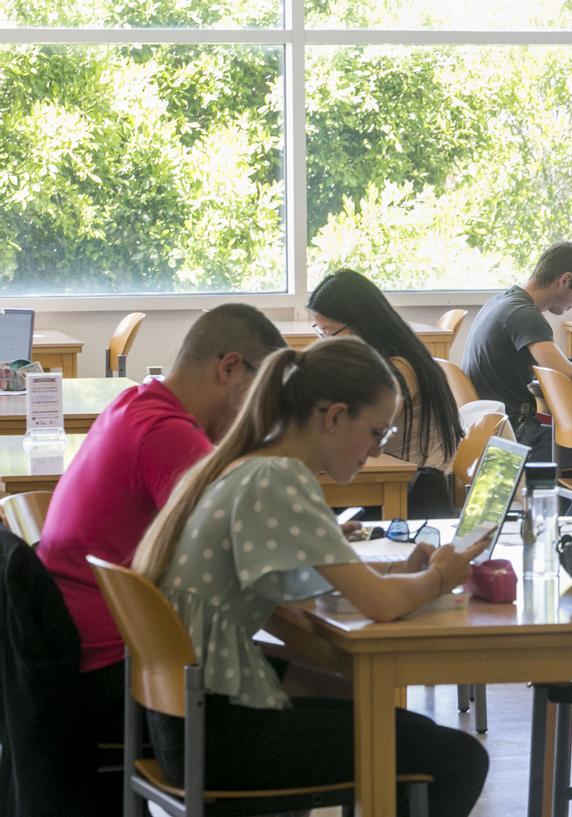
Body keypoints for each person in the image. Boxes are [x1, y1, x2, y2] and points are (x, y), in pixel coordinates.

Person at [131, 337, 488, 815]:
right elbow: (378, 605)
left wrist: (399, 575)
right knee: (458, 757)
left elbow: (311, 596)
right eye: (376, 433)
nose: (376, 450)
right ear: (334, 416)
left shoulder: (246, 466)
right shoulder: (278, 477)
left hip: (185, 727)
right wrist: (441, 575)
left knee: (391, 719)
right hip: (224, 738)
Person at [37, 304, 287, 782]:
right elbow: (250, 550)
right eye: (260, 396)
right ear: (230, 368)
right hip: (125, 673)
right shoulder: (167, 434)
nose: (259, 415)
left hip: (83, 660)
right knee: (337, 690)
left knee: (303, 681)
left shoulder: (135, 404)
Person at [308, 268, 464, 513]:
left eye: (328, 333)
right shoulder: (370, 363)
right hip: (385, 481)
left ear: (360, 324)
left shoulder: (399, 368)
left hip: (410, 493)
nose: (323, 343)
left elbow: (359, 425)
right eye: (320, 332)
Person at [463, 241, 572, 469]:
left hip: (485, 430)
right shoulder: (524, 315)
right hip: (512, 437)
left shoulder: (501, 301)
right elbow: (568, 377)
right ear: (565, 280)